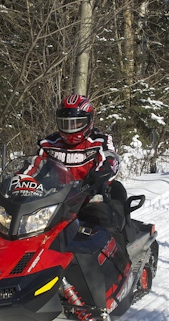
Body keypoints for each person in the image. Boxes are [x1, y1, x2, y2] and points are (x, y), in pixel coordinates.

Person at [26, 94, 129, 236]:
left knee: (106, 232)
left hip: (90, 198)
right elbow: (33, 166)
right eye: (65, 123)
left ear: (89, 121)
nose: (70, 128)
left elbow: (110, 159)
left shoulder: (100, 140)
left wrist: (99, 174)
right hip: (54, 202)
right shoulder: (50, 143)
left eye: (76, 123)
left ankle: (120, 257)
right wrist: (20, 180)